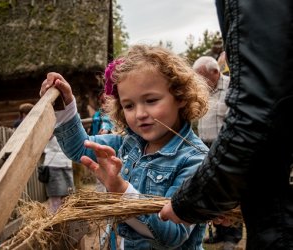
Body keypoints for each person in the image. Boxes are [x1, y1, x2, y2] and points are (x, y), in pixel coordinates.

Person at [39, 44, 210, 249]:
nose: (139, 114)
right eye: (129, 105)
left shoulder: (196, 160)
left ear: (180, 96)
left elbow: (172, 236)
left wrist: (122, 191)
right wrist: (65, 107)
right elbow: (80, 148)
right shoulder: (127, 144)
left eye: (151, 100)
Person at [159, 0, 293, 249]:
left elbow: (254, 117)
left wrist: (193, 201)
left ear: (214, 73)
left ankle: (231, 237)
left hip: (235, 150)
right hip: (226, 152)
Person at [193, 56, 242, 249]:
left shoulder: (232, 87)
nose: (200, 82)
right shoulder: (202, 91)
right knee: (211, 192)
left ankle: (232, 237)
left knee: (229, 191)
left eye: (202, 77)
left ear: (215, 72)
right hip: (204, 146)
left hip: (225, 148)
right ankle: (217, 233)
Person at [39, 135, 75, 213]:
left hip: (67, 164)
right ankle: (54, 221)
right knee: (55, 197)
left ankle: (66, 220)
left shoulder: (68, 127)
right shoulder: (49, 126)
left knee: (69, 195)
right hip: (54, 165)